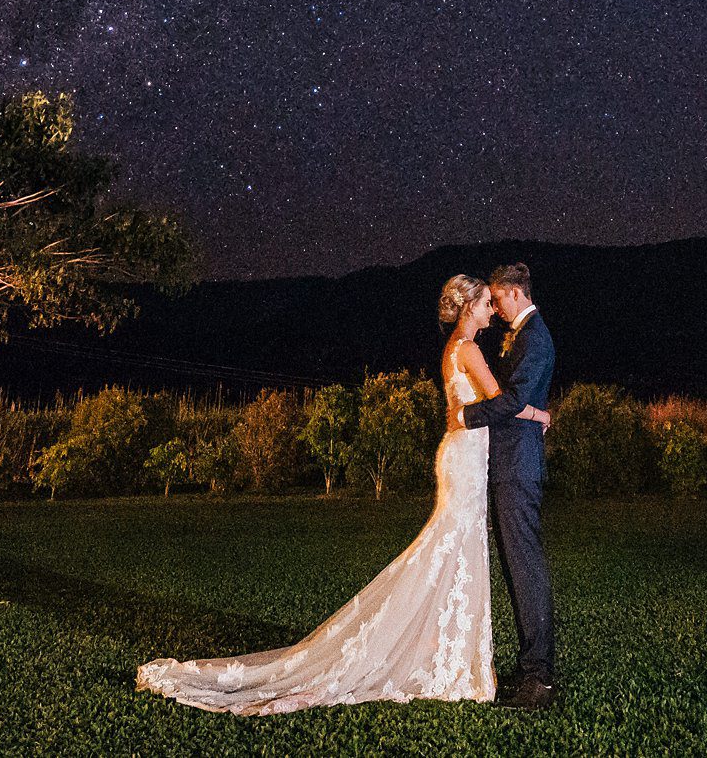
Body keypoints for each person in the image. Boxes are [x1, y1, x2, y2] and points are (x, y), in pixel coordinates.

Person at [134, 275, 510, 713]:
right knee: (451, 548)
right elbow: (499, 400)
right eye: (486, 303)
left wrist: (464, 413)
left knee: (453, 550)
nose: (491, 311)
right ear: (469, 308)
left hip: (461, 456)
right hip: (464, 458)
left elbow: (468, 408)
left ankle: (445, 653)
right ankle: (446, 659)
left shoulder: (452, 349)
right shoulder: (468, 348)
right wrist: (535, 411)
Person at [458, 261, 556, 709]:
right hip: (507, 465)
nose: (494, 310)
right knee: (516, 570)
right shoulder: (519, 333)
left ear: (514, 294)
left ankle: (539, 678)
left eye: (496, 300)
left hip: (519, 467)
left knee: (526, 568)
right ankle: (529, 665)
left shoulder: (536, 338)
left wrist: (465, 417)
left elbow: (513, 400)